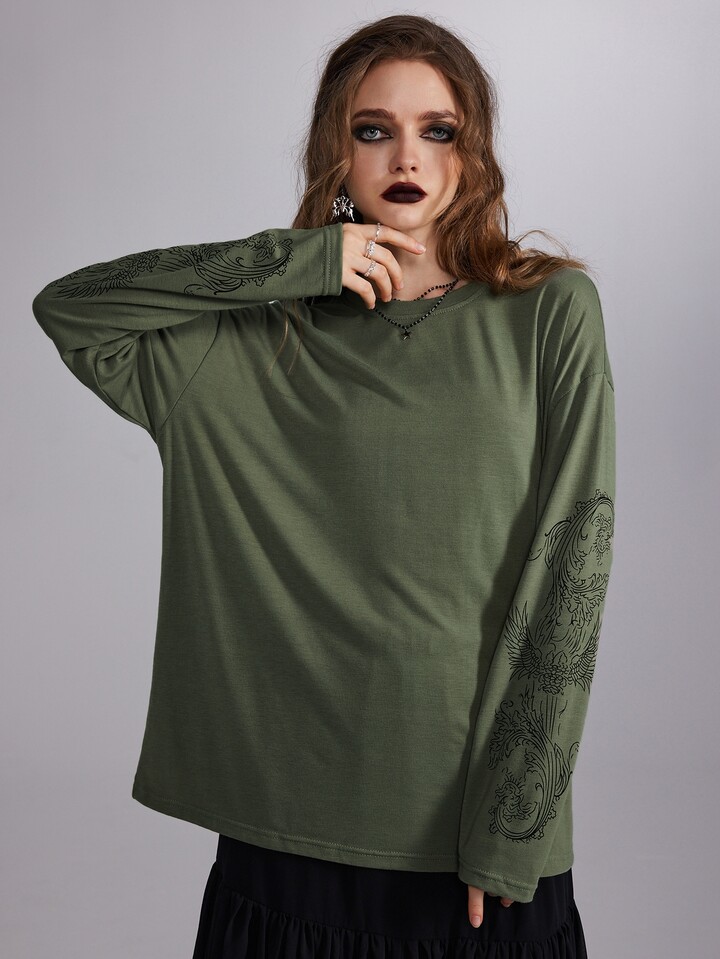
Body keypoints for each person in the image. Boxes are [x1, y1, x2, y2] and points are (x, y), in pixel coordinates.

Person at [32, 13, 615, 958]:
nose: (407, 156)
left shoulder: (548, 311)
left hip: (465, 825)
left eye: (438, 129)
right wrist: (293, 262)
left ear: (473, 150)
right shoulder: (256, 339)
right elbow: (71, 307)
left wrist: (515, 822)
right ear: (333, 152)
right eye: (372, 128)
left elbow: (571, 574)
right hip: (281, 832)